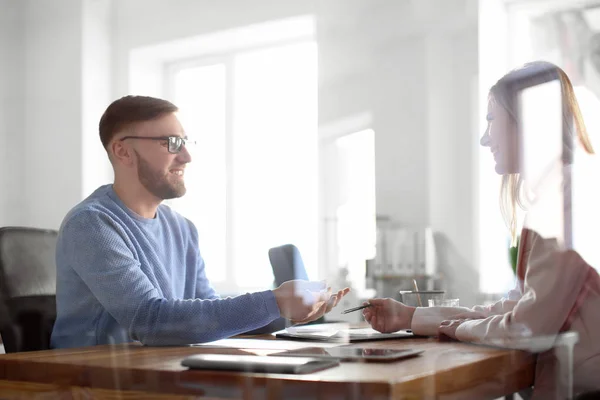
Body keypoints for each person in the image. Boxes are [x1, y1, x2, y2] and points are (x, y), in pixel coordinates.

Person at [363, 61, 600, 398]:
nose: (485, 138)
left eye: (492, 120)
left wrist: (464, 329)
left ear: (525, 121)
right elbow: (514, 310)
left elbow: (526, 327)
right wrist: (410, 316)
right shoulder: (559, 193)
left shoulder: (567, 199)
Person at [50, 95, 349, 349]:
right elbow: (150, 321)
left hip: (155, 375)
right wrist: (274, 301)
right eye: (172, 142)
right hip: (91, 382)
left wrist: (291, 309)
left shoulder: (182, 228)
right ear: (122, 150)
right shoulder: (92, 225)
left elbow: (208, 314)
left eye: (185, 142)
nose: (187, 156)